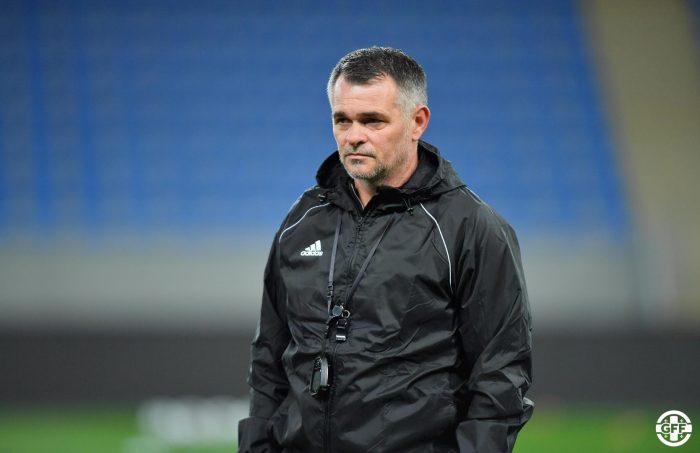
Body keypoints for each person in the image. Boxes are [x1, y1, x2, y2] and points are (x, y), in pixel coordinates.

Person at [238, 47, 534, 453]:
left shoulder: (471, 229)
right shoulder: (302, 219)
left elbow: (500, 376)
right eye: (342, 120)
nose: (353, 136)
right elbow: (269, 357)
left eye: (372, 120)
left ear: (417, 122)